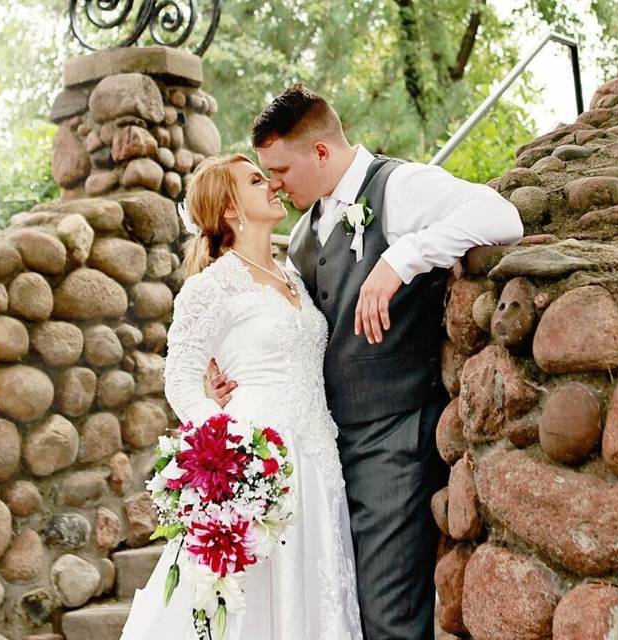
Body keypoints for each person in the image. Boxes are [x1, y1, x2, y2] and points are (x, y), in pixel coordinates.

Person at [210, 84, 524, 640]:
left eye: (280, 168)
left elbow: (500, 215)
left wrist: (401, 259)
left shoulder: (400, 186)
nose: (275, 184)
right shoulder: (305, 232)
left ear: (322, 152)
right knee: (336, 612)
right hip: (321, 450)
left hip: (393, 437)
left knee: (387, 619)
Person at [119, 153, 364, 640]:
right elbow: (180, 382)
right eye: (256, 180)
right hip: (260, 463)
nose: (272, 183)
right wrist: (229, 447)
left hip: (317, 458)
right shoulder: (212, 286)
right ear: (230, 209)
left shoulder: (293, 274)